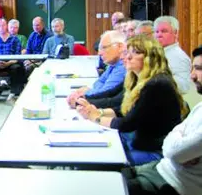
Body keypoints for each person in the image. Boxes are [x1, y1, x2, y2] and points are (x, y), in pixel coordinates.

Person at [77, 36, 187, 166]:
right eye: (127, 52)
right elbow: (124, 111)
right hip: (138, 142)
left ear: (150, 57)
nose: (128, 57)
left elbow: (127, 124)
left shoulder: (156, 84)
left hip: (153, 151)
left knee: (97, 160)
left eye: (136, 53)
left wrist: (95, 118)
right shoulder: (138, 79)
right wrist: (97, 111)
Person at [124, 45, 202, 195]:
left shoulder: (158, 84)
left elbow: (174, 152)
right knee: (112, 175)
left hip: (177, 187)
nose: (192, 76)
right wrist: (178, 140)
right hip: (161, 169)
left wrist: (178, 141)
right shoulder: (200, 107)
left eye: (199, 69)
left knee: (114, 191)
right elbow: (175, 136)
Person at [67, 30, 127, 108]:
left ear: (120, 47)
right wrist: (89, 91)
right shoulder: (113, 64)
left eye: (104, 48)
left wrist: (86, 94)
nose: (99, 53)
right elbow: (99, 83)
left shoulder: (123, 66)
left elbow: (106, 92)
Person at [154, 16, 193, 94]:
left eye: (164, 31)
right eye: (157, 31)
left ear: (175, 33)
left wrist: (157, 78)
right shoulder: (157, 53)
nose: (159, 35)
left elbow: (184, 87)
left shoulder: (179, 57)